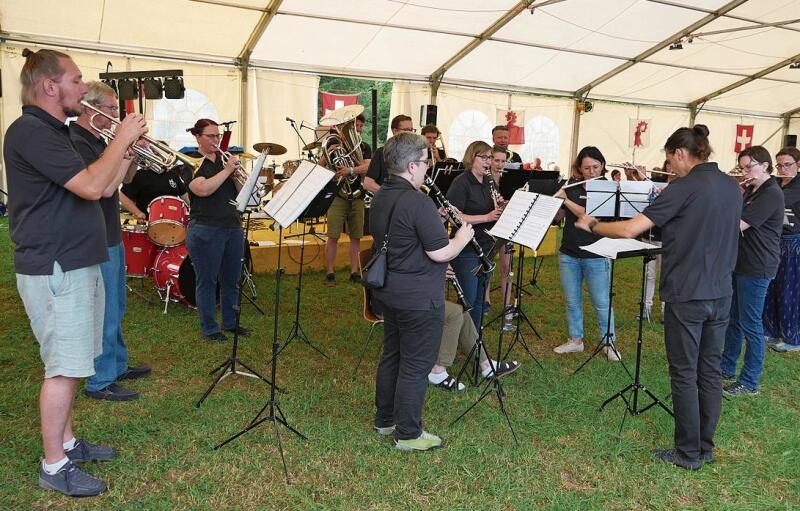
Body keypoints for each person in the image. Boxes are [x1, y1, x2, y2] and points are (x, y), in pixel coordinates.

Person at [4, 48, 147, 496]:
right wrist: (121, 138)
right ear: (50, 86)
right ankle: (53, 464)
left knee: (72, 362)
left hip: (73, 261)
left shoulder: (57, 130)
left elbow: (103, 186)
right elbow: (88, 185)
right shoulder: (30, 131)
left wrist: (126, 151)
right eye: (76, 80)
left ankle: (66, 441)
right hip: (55, 266)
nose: (84, 89)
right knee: (62, 369)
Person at [575, 124, 742, 471]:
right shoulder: (731, 184)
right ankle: (704, 447)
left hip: (687, 292)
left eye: (669, 159)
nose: (670, 166)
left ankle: (687, 453)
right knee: (709, 371)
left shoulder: (683, 187)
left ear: (680, 154)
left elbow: (628, 229)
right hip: (722, 291)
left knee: (683, 373)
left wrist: (592, 225)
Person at [370, 132, 473, 451]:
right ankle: (408, 434)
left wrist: (432, 220)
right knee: (415, 365)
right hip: (418, 297)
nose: (429, 168)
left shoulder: (382, 194)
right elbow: (439, 252)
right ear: (413, 165)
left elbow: (401, 237)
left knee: (393, 355)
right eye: (427, 162)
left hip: (389, 292)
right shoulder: (417, 200)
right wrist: (462, 239)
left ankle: (384, 420)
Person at [70, 81, 151, 402]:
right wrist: (122, 144)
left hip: (109, 233)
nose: (117, 114)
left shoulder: (99, 141)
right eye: (112, 109)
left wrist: (128, 153)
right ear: (91, 109)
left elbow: (116, 186)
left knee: (115, 305)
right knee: (103, 310)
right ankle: (100, 379)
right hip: (94, 237)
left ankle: (116, 365)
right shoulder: (77, 141)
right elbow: (102, 189)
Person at [720, 146, 784, 395]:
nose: (745, 172)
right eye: (742, 167)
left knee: (751, 324)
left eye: (749, 167)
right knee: (733, 319)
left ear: (765, 166)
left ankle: (749, 381)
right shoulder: (751, 190)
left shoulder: (770, 193)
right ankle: (726, 367)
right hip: (742, 262)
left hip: (757, 266)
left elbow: (738, 225)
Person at [181, 119, 247, 341]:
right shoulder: (191, 162)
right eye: (210, 136)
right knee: (207, 280)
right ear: (198, 137)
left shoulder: (224, 160)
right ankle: (209, 328)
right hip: (206, 228)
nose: (216, 140)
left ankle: (230, 323)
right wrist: (227, 170)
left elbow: (241, 194)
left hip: (232, 226)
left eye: (217, 136)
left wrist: (237, 176)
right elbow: (202, 190)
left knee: (231, 279)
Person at [552, 147, 618, 361]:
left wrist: (566, 200)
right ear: (579, 168)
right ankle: (575, 340)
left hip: (597, 253)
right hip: (569, 252)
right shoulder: (572, 185)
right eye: (587, 168)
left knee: (601, 301)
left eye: (596, 167)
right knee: (572, 300)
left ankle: (608, 342)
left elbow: (590, 215)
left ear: (603, 166)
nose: (591, 171)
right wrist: (555, 201)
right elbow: (559, 217)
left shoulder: (608, 188)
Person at [446, 141, 502, 329]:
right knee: (468, 298)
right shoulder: (461, 182)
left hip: (486, 246)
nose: (489, 162)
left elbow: (493, 210)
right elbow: (454, 218)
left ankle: (474, 339)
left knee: (479, 298)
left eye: (490, 157)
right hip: (466, 249)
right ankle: (456, 340)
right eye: (484, 157)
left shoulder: (488, 181)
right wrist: (486, 216)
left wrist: (500, 205)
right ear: (472, 158)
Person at [323, 113, 372, 286]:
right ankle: (330, 272)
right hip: (339, 195)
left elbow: (368, 166)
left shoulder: (365, 147)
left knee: (356, 236)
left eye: (359, 127)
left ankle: (354, 271)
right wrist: (327, 154)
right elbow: (321, 165)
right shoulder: (334, 145)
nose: (358, 130)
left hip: (358, 195)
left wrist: (350, 170)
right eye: (355, 127)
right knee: (333, 236)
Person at [763, 146, 800, 352]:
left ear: (798, 165)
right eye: (779, 165)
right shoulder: (775, 184)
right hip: (775, 240)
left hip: (794, 243)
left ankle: (792, 337)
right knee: (771, 286)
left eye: (787, 165)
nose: (783, 169)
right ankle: (771, 329)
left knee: (790, 291)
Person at [483, 145, 513, 328]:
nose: (500, 164)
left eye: (503, 161)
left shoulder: (509, 180)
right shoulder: (484, 179)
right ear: (490, 159)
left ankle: (507, 305)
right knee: (487, 263)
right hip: (489, 225)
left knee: (506, 266)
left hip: (506, 225)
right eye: (496, 160)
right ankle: (485, 301)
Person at [119, 162, 189, 221]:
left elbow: (185, 196)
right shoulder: (140, 175)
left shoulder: (173, 175)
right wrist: (138, 213)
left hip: (174, 222)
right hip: (148, 222)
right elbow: (122, 196)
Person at [363, 114, 413, 193]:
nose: (410, 134)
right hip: (387, 203)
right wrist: (388, 195)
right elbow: (368, 183)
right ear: (395, 131)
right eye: (406, 130)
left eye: (411, 130)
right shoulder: (381, 152)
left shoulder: (416, 154)